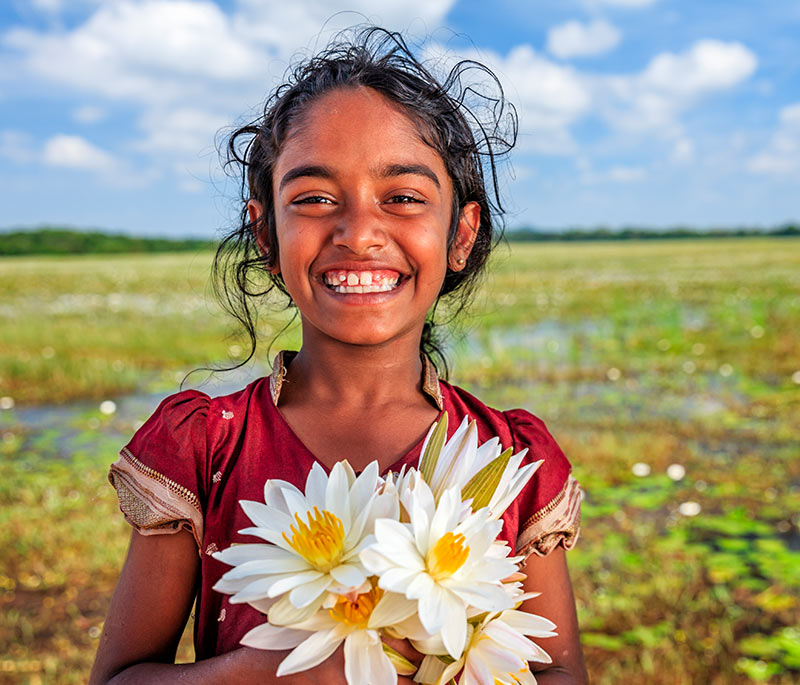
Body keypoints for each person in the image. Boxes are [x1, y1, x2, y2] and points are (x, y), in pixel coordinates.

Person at [89, 26, 587, 685]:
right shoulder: (206, 448)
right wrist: (262, 670)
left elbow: (558, 671)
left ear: (460, 235)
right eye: (315, 198)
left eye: (404, 197)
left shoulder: (510, 459)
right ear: (266, 231)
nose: (357, 232)